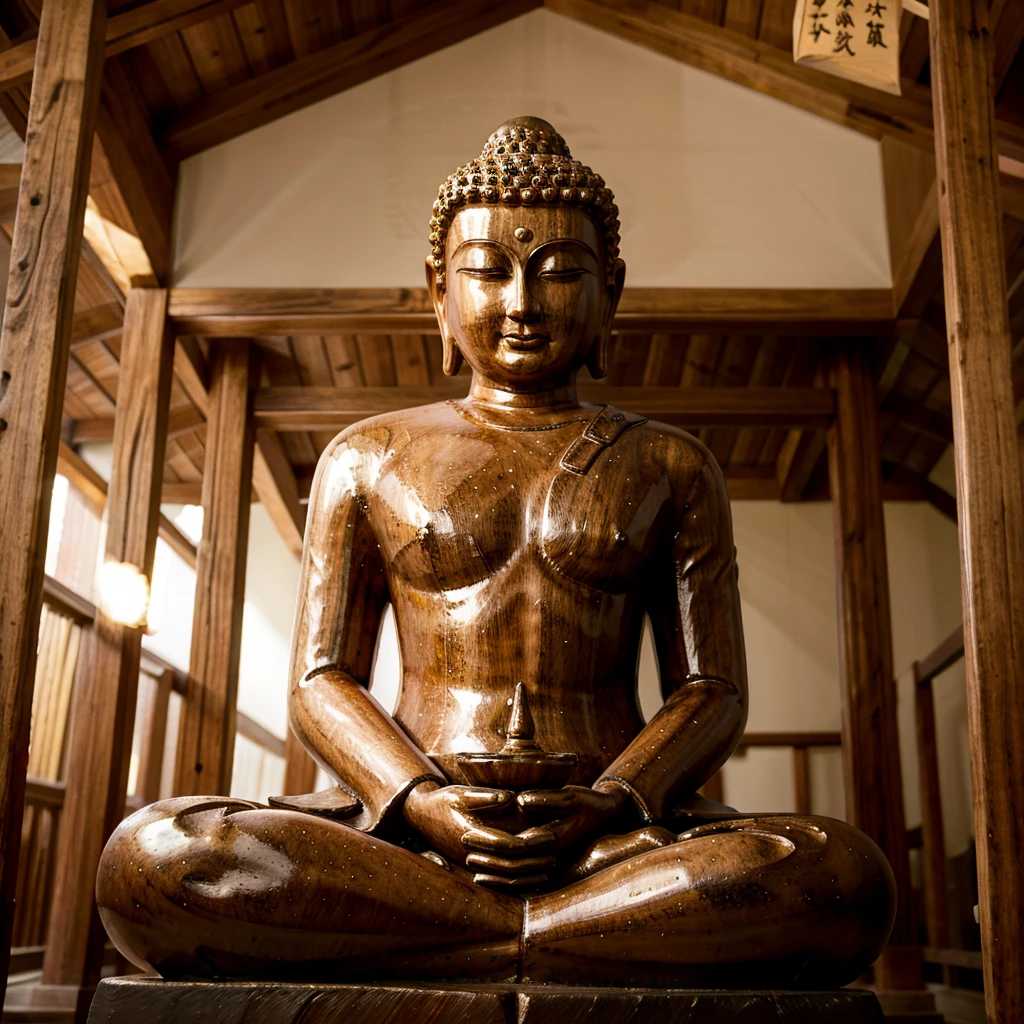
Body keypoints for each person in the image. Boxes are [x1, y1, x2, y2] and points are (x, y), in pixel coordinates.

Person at [97, 117, 894, 987]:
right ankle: (550, 933)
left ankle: (475, 932)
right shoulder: (366, 456)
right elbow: (321, 678)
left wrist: (612, 802)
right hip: (407, 838)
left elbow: (710, 687)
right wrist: (422, 801)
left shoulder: (670, 463)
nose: (522, 303)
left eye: (560, 274)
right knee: (158, 855)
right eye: (487, 271)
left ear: (611, 293)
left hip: (615, 841)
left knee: (837, 876)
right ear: (437, 290)